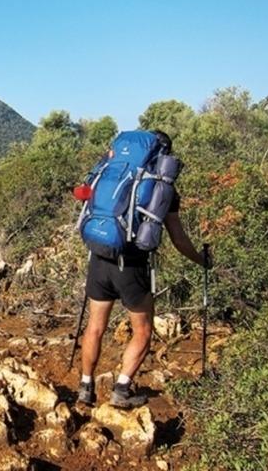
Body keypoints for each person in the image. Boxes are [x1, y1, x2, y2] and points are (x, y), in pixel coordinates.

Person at [77, 130, 211, 408]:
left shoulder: (113, 173)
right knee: (143, 331)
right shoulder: (162, 187)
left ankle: (86, 387)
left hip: (99, 258)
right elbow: (178, 238)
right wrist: (201, 260)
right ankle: (122, 389)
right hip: (132, 266)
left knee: (95, 327)